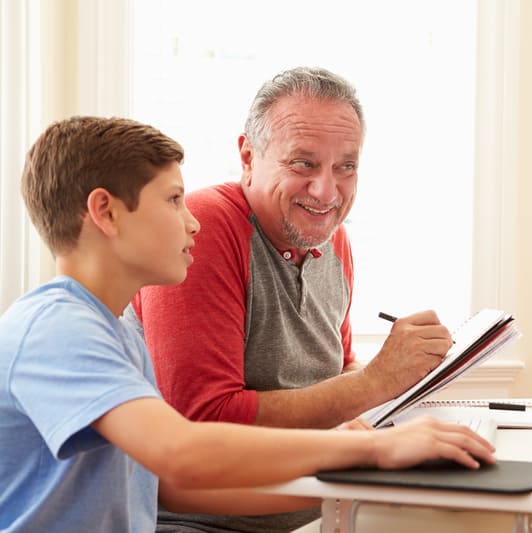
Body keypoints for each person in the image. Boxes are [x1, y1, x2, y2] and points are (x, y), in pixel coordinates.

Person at [0, 116, 495, 533]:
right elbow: (179, 452)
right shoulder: (56, 327)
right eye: (173, 200)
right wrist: (373, 447)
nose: (191, 220)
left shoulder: (114, 335)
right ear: (105, 212)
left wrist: (355, 480)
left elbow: (172, 486)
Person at [123, 67, 458, 531]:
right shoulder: (203, 227)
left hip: (324, 510)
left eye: (346, 166)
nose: (326, 191)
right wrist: (376, 383)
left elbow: (335, 371)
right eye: (303, 164)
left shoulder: (333, 240)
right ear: (248, 156)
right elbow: (202, 418)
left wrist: (398, 389)